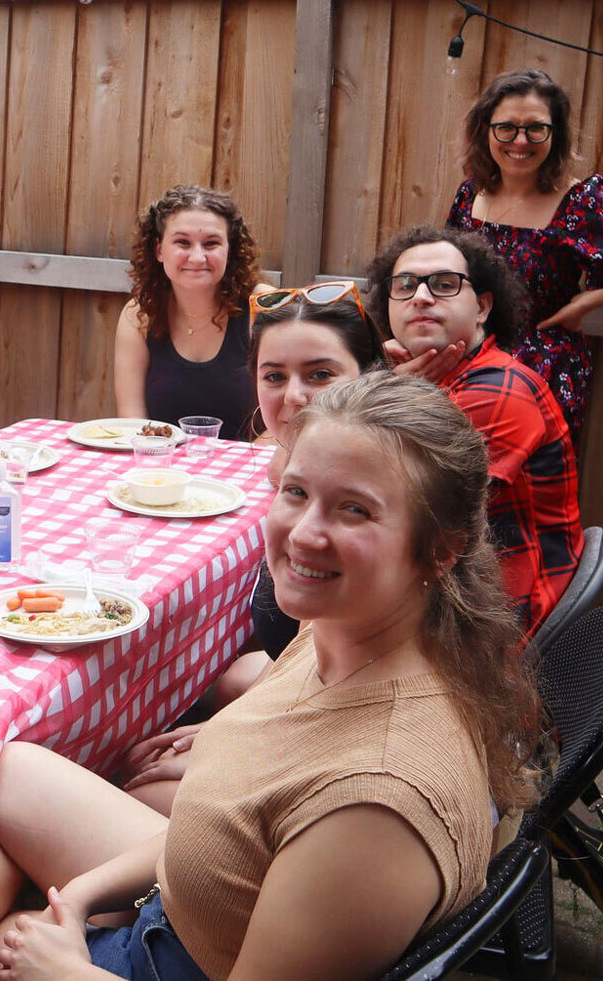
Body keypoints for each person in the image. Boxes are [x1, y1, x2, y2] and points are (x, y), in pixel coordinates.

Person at [0, 372, 542, 981]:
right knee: (7, 771)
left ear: (440, 547)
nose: (304, 532)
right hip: (196, 898)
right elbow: (243, 821)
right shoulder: (346, 630)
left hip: (184, 958)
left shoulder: (375, 807)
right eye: (296, 492)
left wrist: (68, 969)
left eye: (354, 510)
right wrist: (84, 891)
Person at [123, 283, 385, 813]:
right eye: (274, 376)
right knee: (236, 676)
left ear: (371, 376)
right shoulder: (309, 460)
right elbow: (309, 663)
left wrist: (226, 747)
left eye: (320, 375)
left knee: (133, 783)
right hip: (322, 708)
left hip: (352, 760)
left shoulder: (373, 497)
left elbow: (363, 693)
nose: (293, 397)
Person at [446, 69, 603, 438]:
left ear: (555, 133)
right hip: (467, 362)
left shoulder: (579, 202)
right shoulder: (471, 194)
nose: (520, 140)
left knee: (531, 486)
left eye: (536, 128)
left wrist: (585, 304)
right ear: (486, 129)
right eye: (507, 127)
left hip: (539, 371)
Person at [367, 226, 582, 634]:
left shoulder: (499, 389)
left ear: (482, 307)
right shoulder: (437, 380)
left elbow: (396, 500)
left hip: (492, 619)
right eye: (405, 285)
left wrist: (385, 391)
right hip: (451, 585)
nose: (422, 296)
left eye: (445, 285)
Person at [113, 185, 271, 439]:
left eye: (211, 243)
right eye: (182, 242)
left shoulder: (263, 306)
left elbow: (290, 422)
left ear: (230, 250)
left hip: (248, 469)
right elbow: (133, 422)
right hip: (164, 470)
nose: (197, 257)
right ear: (159, 250)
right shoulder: (139, 316)